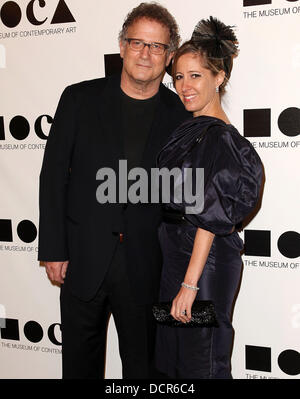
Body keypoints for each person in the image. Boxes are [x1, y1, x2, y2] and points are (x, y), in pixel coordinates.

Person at [38, 2, 189, 379]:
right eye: (137, 42)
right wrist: (53, 248)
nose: (145, 53)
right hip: (82, 258)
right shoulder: (78, 99)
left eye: (156, 47)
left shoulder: (180, 114)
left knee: (145, 370)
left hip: (147, 266)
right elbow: (54, 177)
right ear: (122, 46)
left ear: (169, 56)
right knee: (79, 366)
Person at [155, 16, 263, 379]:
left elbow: (209, 218)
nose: (184, 86)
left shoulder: (221, 139)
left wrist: (189, 284)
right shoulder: (193, 131)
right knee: (174, 356)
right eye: (179, 77)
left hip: (205, 263)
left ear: (219, 78)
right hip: (177, 259)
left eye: (195, 75)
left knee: (202, 357)